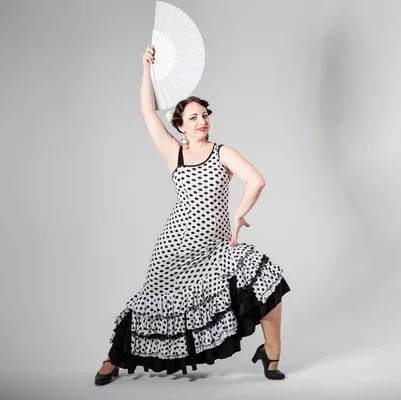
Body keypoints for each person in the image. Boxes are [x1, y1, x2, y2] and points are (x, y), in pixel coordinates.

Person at [94, 45, 291, 386]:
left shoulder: (222, 153)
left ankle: (271, 354)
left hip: (214, 249)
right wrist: (146, 70)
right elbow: (146, 113)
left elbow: (256, 181)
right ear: (181, 125)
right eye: (193, 118)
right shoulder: (174, 153)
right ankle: (113, 359)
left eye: (205, 115)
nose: (202, 121)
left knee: (267, 282)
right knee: (149, 307)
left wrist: (239, 214)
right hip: (173, 250)